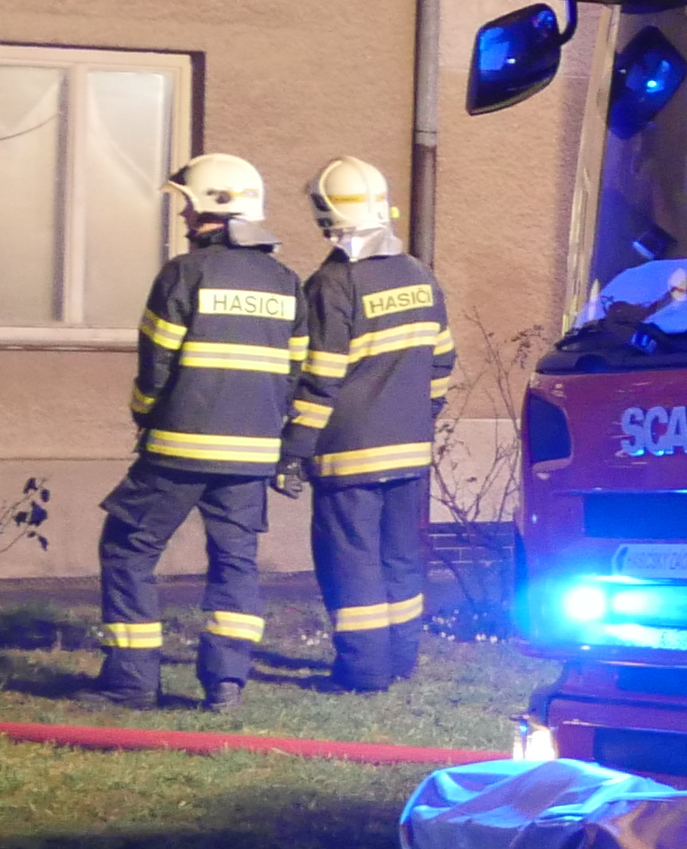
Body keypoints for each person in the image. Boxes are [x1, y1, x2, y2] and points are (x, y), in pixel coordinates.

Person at [99, 154, 299, 712]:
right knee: (235, 562)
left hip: (177, 449)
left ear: (215, 206)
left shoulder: (184, 274)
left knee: (128, 547)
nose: (184, 216)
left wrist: (144, 413)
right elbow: (296, 372)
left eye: (189, 204)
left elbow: (154, 365)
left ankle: (132, 683)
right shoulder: (286, 282)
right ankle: (226, 683)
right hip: (252, 455)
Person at [283, 156, 454, 691]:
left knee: (350, 561)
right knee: (400, 557)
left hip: (346, 451)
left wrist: (295, 448)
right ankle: (401, 660)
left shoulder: (332, 285)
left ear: (327, 215)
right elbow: (442, 361)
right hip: (409, 451)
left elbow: (320, 377)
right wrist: (417, 421)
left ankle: (362, 670)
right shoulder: (420, 276)